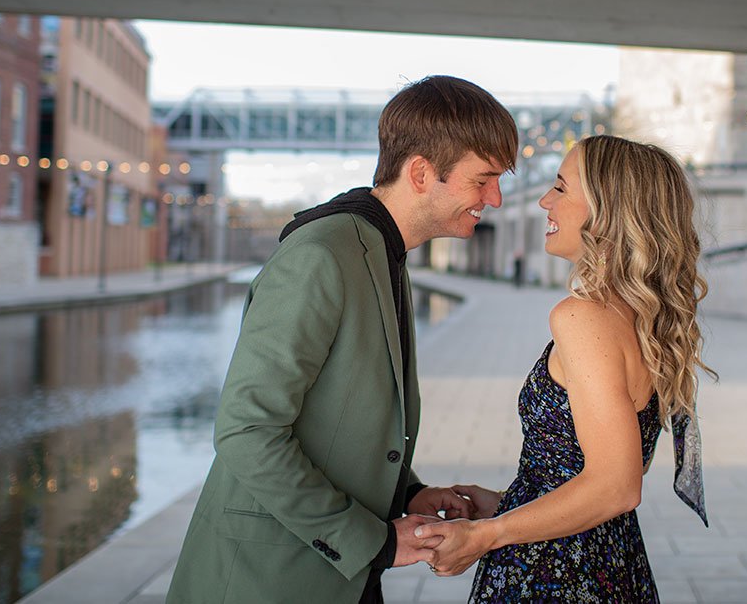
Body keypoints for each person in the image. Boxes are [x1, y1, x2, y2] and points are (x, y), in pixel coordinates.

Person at [165, 76, 518, 604]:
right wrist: (370, 542)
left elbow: (339, 419)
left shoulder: (378, 250)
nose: (494, 198)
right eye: (483, 180)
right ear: (421, 172)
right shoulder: (321, 257)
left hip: (334, 575)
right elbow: (247, 429)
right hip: (265, 578)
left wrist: (411, 493)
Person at [416, 135, 716, 602]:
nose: (543, 201)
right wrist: (505, 507)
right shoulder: (637, 317)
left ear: (607, 209)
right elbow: (588, 472)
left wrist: (486, 537)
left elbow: (617, 486)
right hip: (609, 558)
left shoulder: (582, 318)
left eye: (560, 188)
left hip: (556, 574)